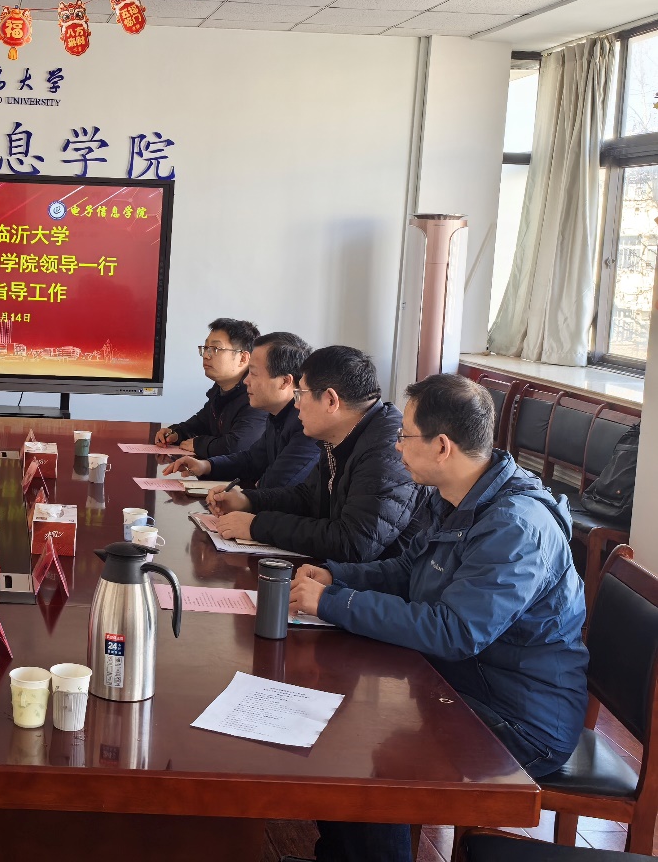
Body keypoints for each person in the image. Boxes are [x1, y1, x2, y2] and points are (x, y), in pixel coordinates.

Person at [287, 374, 588, 862]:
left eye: (404, 436)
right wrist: (335, 576)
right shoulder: (456, 495)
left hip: (517, 720)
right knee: (336, 722)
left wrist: (334, 603)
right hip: (464, 685)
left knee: (360, 745)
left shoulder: (515, 526)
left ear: (442, 446)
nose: (396, 446)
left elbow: (455, 631)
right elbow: (408, 570)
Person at [210, 345, 421, 562]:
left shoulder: (387, 450)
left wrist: (256, 526)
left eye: (300, 394)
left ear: (330, 400)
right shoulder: (345, 434)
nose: (296, 405)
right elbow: (308, 497)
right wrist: (248, 501)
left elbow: (353, 542)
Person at [163, 332, 319, 494]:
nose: (246, 381)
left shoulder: (307, 425)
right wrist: (207, 466)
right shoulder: (278, 414)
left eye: (254, 373)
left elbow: (275, 487)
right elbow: (252, 460)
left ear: (284, 381)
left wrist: (245, 499)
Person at [154, 318, 267, 458]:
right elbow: (200, 423)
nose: (206, 355)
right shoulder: (221, 391)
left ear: (243, 358)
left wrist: (199, 444)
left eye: (215, 349)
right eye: (206, 348)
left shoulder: (256, 396)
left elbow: (238, 445)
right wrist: (176, 433)